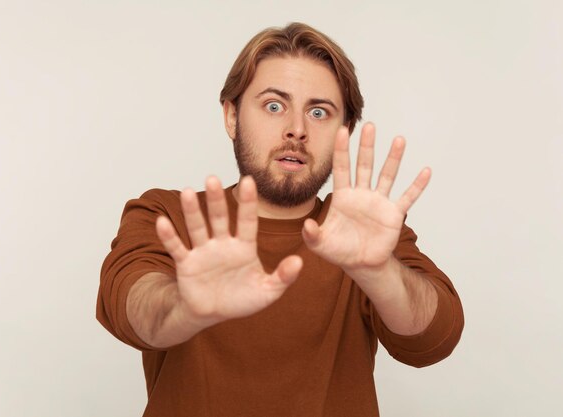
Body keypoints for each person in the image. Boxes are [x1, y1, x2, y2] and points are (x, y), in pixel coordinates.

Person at [96, 22, 464, 417]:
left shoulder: (364, 236)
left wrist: (378, 271)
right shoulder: (167, 215)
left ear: (345, 131)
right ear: (232, 116)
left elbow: (434, 338)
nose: (296, 130)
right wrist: (184, 305)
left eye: (319, 112)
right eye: (274, 105)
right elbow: (131, 307)